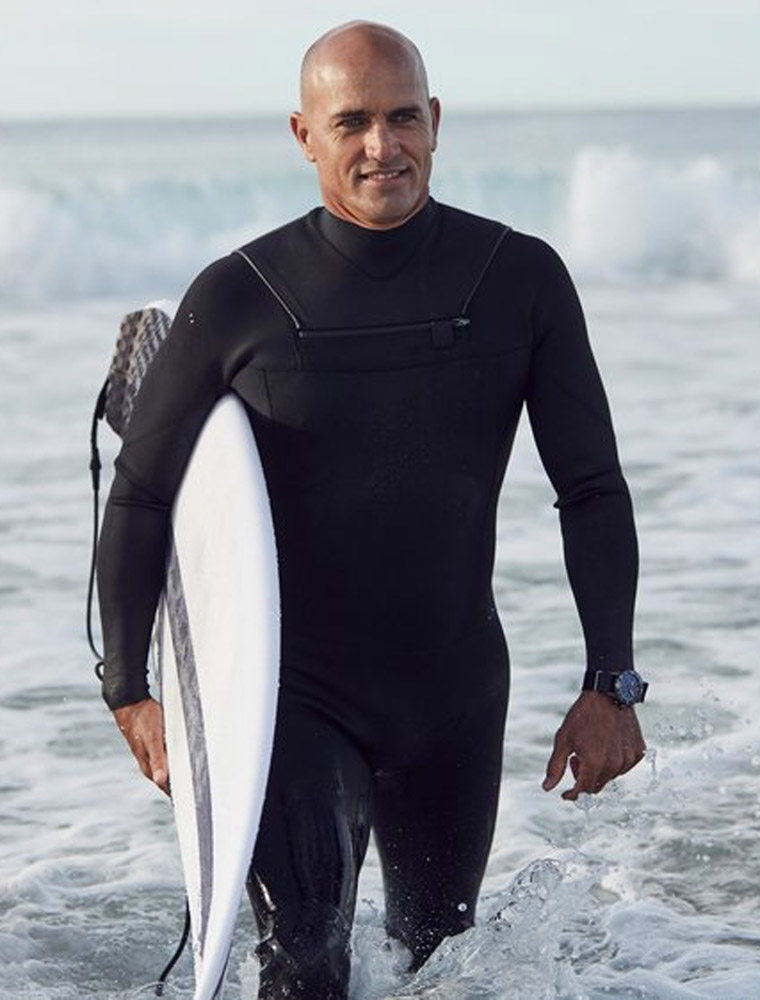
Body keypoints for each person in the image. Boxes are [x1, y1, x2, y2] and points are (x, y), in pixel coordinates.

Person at [96, 20, 646, 999]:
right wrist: (129, 691)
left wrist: (612, 683)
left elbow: (592, 489)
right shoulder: (238, 297)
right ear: (304, 134)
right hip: (295, 693)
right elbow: (142, 492)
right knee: (307, 952)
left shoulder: (518, 279)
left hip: (454, 692)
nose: (381, 145)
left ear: (435, 121)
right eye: (351, 122)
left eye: (402, 118)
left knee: (440, 963)